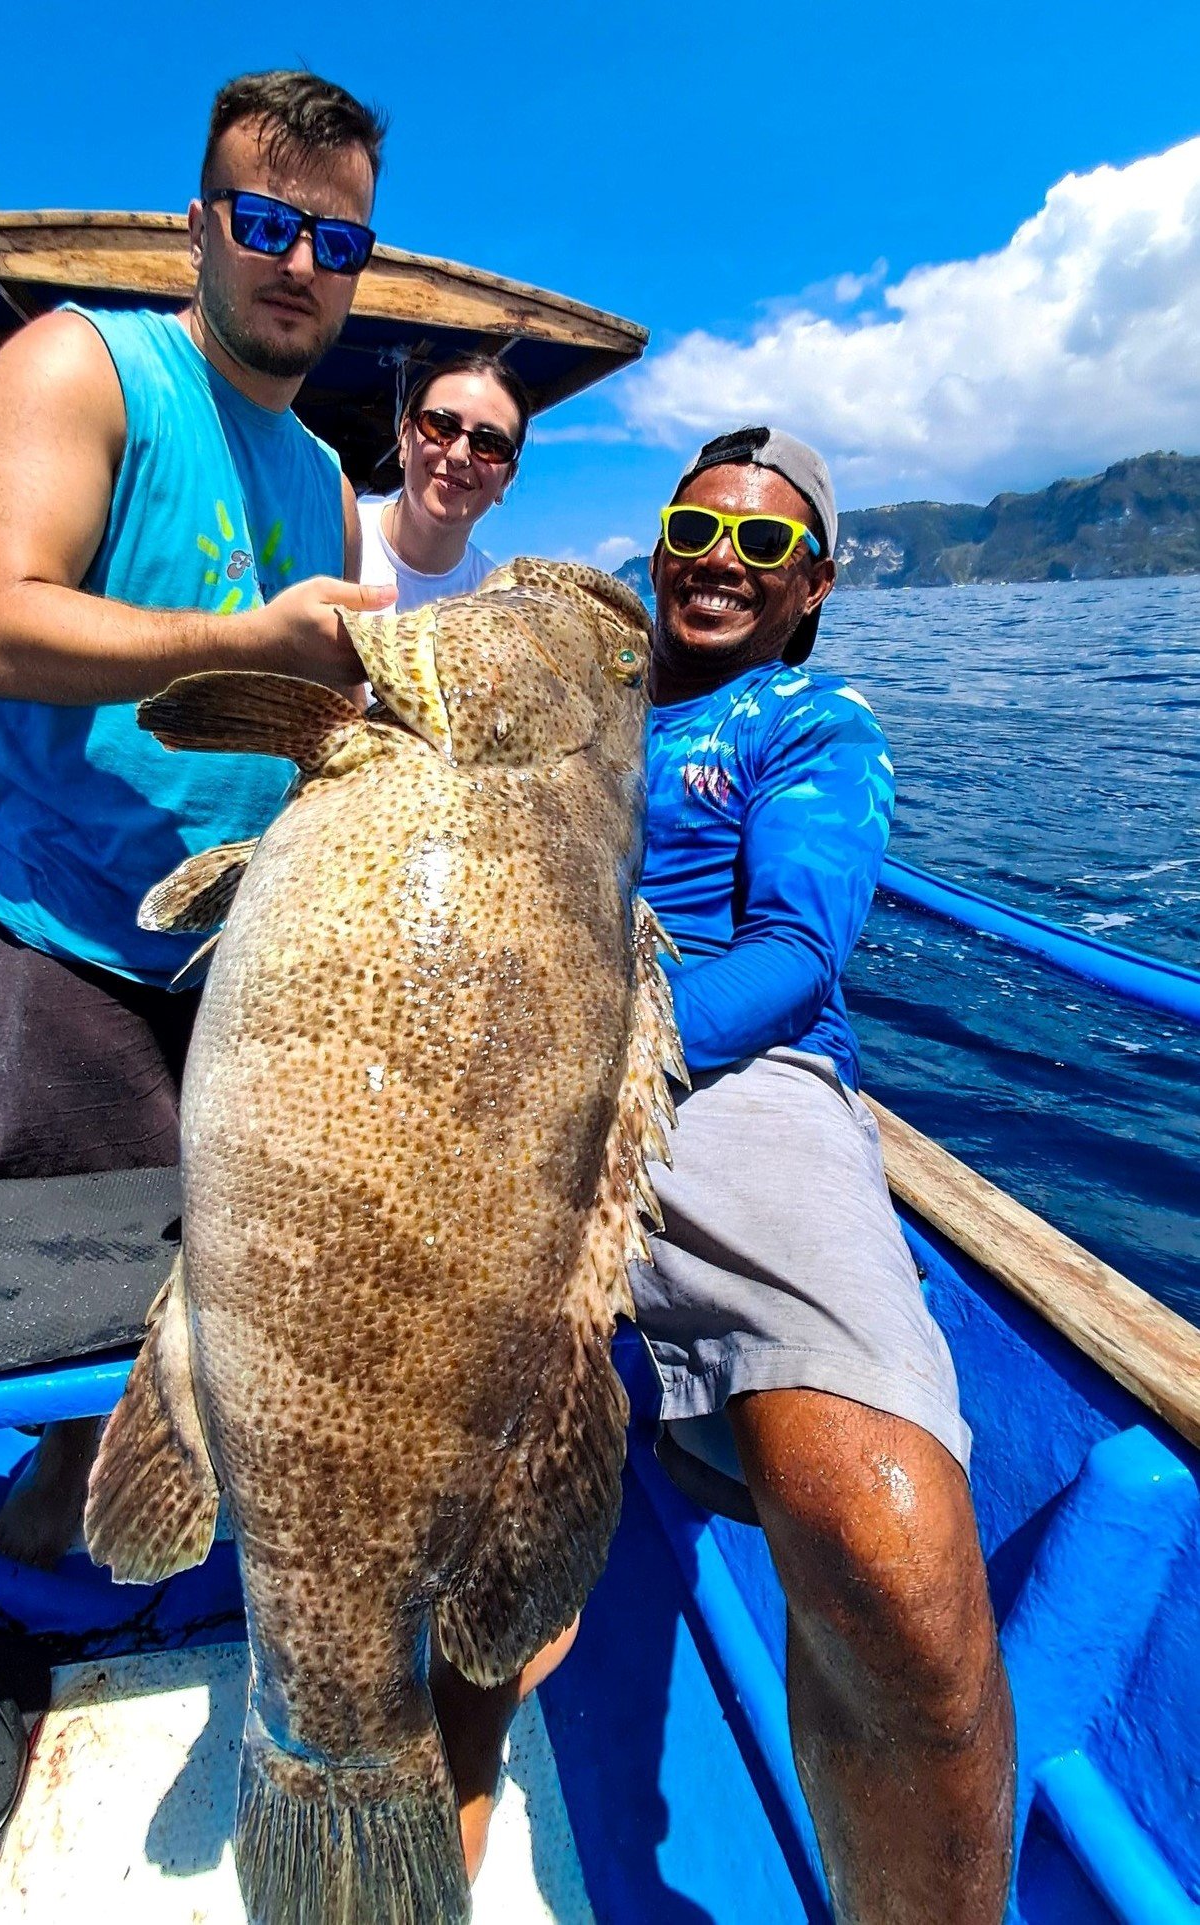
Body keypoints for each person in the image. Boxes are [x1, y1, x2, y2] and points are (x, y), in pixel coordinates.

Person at [0, 68, 394, 1568]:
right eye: (268, 221)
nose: (299, 265)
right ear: (195, 224)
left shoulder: (327, 475)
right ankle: (25, 1583)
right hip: (71, 939)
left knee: (252, 1298)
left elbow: (320, 721)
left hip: (254, 963)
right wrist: (251, 642)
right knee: (66, 1328)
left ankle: (194, 1529)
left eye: (336, 243)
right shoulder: (81, 367)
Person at [633, 425, 1015, 1922]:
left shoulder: (807, 716)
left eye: (763, 545)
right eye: (695, 526)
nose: (720, 560)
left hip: (732, 1074)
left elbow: (792, 959)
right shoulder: (576, 697)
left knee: (888, 1541)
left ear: (811, 589)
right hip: (503, 1058)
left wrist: (618, 1042)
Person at [358, 352, 528, 610]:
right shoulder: (330, 537)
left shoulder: (499, 608)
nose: (459, 455)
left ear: (507, 478)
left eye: (489, 444)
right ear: (404, 437)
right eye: (441, 425)